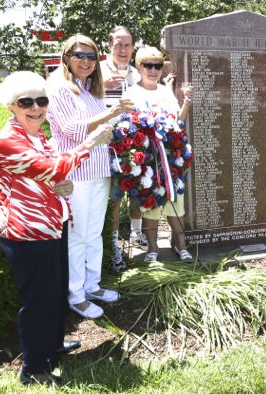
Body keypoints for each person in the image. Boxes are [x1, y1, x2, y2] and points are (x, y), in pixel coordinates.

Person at [0, 71, 112, 385]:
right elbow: (50, 167)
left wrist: (62, 186)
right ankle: (34, 367)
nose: (36, 107)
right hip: (28, 233)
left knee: (56, 294)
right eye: (26, 101)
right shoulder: (7, 141)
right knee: (37, 302)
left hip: (53, 225)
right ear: (12, 106)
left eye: (41, 100)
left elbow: (51, 173)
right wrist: (89, 143)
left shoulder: (38, 135)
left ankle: (52, 346)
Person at [46, 34, 133, 319]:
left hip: (99, 170)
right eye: (79, 55)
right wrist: (112, 113)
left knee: (94, 233)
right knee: (78, 236)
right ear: (67, 57)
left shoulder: (89, 90)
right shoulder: (58, 87)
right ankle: (76, 295)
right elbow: (72, 129)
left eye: (91, 56)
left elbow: (102, 130)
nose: (85, 61)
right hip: (76, 173)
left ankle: (92, 285)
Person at [123, 46, 194, 262]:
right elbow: (128, 125)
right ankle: (152, 248)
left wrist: (187, 102)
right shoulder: (131, 93)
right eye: (148, 65)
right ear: (139, 67)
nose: (153, 70)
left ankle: (181, 244)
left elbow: (177, 122)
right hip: (147, 159)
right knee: (150, 204)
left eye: (158, 66)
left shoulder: (165, 91)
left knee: (176, 201)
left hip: (169, 157)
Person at [101, 26, 146, 271]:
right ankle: (114, 245)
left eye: (127, 44)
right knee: (115, 198)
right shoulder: (97, 70)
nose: (122, 49)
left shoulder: (135, 73)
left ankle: (137, 233)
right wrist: (101, 86)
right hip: (109, 144)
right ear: (110, 46)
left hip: (135, 139)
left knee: (137, 189)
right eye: (118, 44)